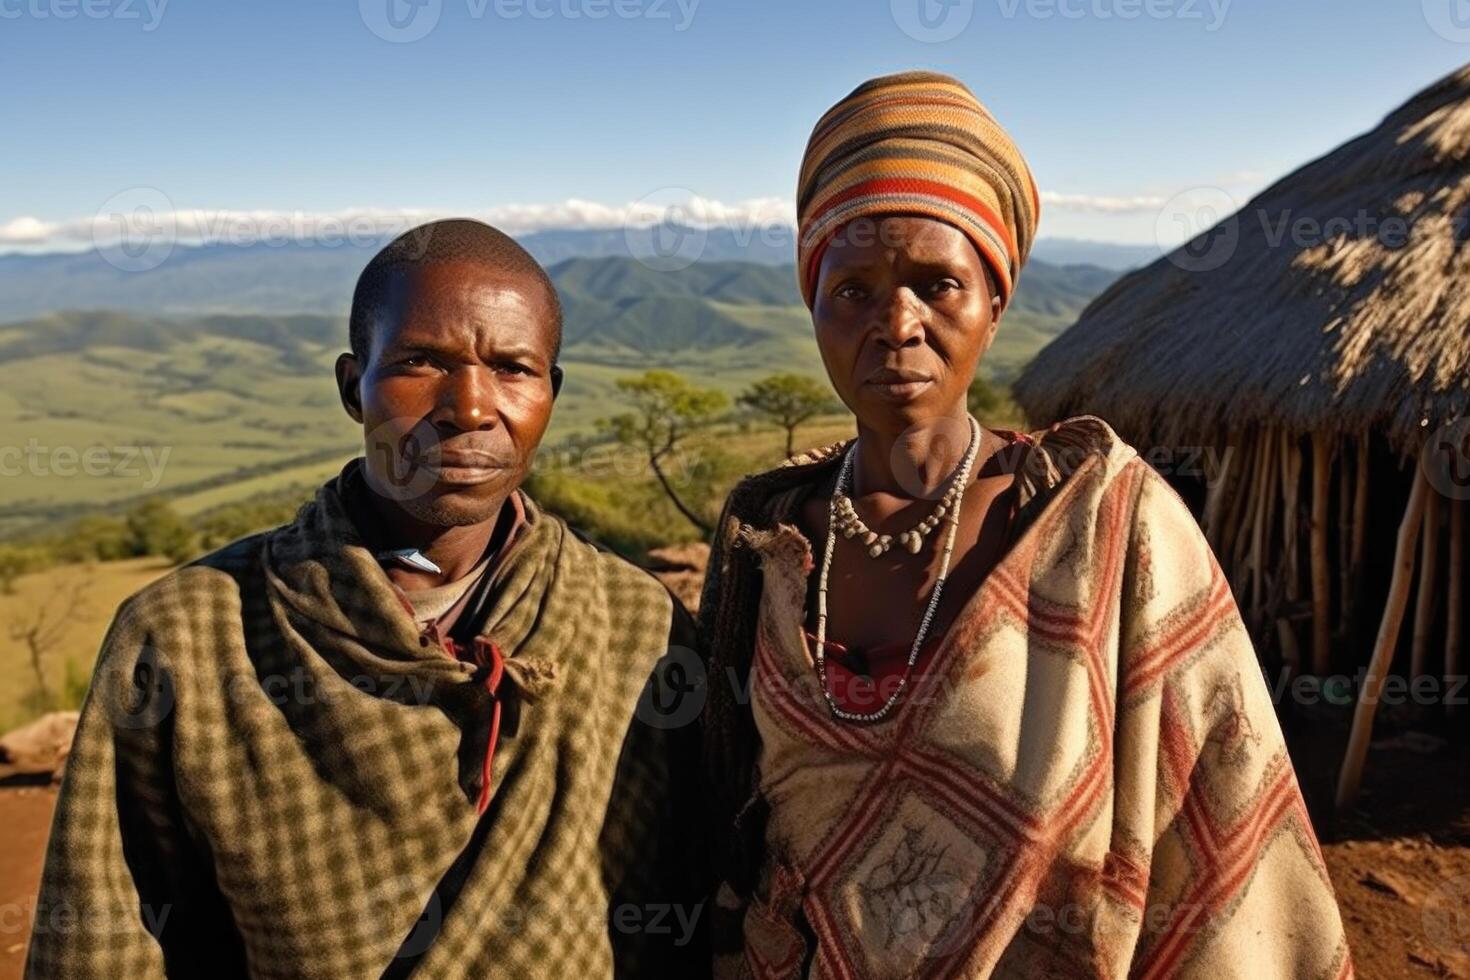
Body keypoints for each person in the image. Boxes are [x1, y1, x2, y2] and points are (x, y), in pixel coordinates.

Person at [697, 72, 1352, 978]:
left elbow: (1224, 815)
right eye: (852, 290)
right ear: (811, 302)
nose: (896, 324)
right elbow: (732, 822)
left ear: (995, 302)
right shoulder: (763, 545)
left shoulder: (1107, 523)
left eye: (938, 284)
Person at [26, 219, 708, 978]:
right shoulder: (188, 636)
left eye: (514, 368)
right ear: (355, 386)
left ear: (553, 389)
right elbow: (104, 941)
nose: (471, 408)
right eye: (421, 363)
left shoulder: (635, 626)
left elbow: (691, 914)